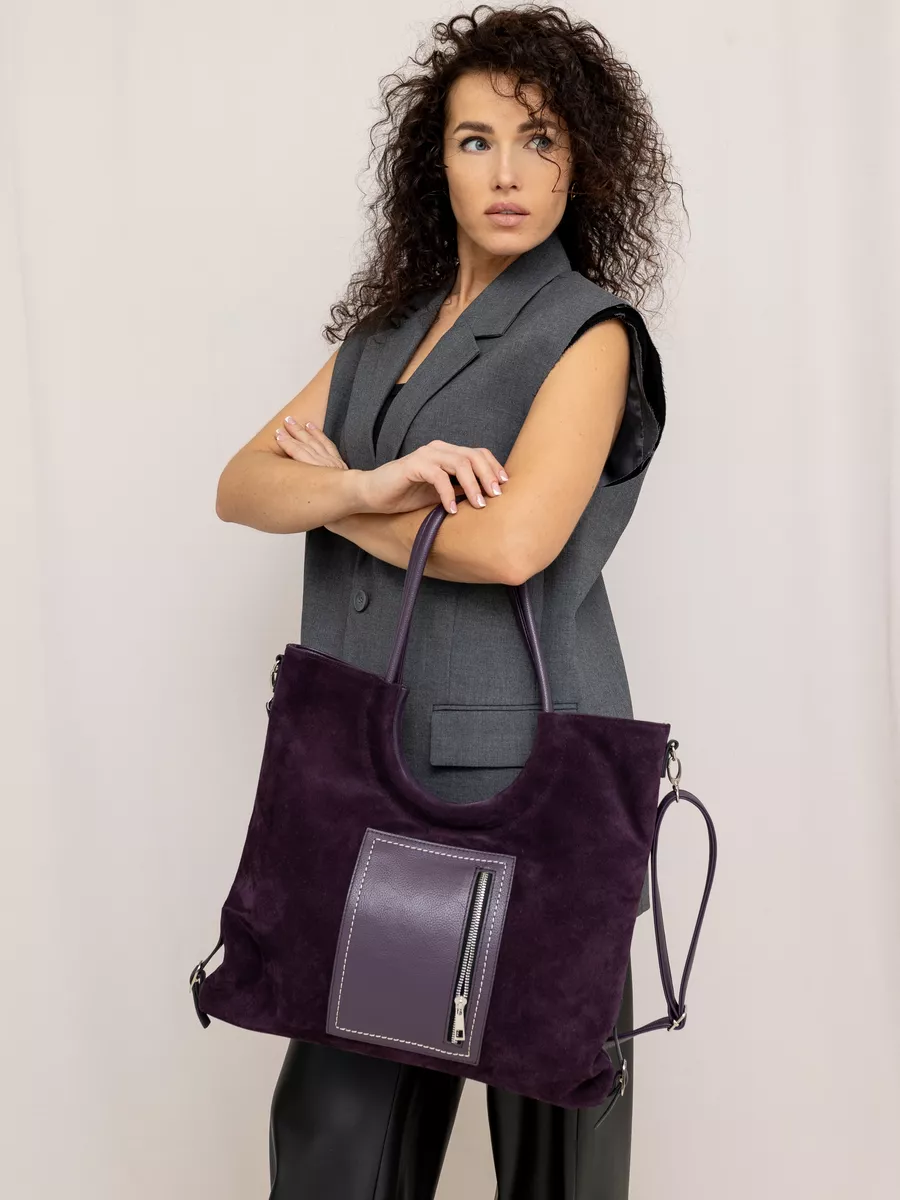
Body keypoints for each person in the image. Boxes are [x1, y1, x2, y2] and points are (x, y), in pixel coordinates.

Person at [215, 6, 680, 1196]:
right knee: (336, 1146)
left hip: (526, 796)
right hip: (368, 786)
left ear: (582, 163)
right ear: (440, 164)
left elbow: (514, 545)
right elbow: (240, 486)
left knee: (555, 1162)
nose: (508, 171)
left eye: (539, 139)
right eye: (477, 141)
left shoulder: (588, 333)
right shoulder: (384, 339)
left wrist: (332, 498)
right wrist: (372, 483)